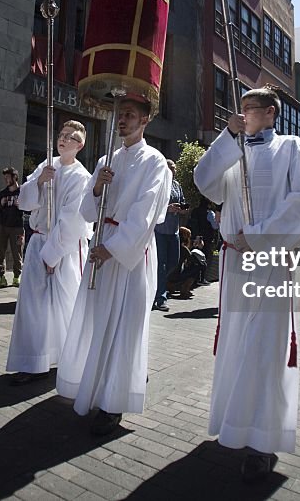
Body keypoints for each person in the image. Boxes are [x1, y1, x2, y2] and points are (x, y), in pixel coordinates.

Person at [194, 86, 300, 483]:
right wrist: (226, 139)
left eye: (249, 109)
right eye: (241, 109)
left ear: (269, 112)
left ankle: (262, 442)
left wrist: (262, 234)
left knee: (266, 348)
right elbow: (204, 182)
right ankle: (234, 424)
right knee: (236, 345)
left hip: (268, 259)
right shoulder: (233, 149)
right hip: (234, 261)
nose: (243, 114)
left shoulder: (290, 147)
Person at [56, 97, 172, 437]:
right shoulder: (107, 158)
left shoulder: (156, 162)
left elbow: (147, 212)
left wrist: (114, 248)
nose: (123, 120)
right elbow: (88, 211)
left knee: (124, 327)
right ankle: (92, 388)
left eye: (130, 115)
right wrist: (97, 187)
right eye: (120, 115)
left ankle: (113, 403)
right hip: (101, 245)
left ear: (146, 119)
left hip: (128, 253)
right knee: (98, 323)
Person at [7, 122, 92, 384]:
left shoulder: (82, 177)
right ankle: (34, 362)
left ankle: (68, 357)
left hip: (64, 249)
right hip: (38, 241)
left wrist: (53, 254)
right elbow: (24, 201)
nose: (63, 139)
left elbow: (74, 220)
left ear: (80, 145)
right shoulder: (47, 164)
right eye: (61, 135)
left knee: (64, 305)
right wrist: (40, 182)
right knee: (34, 306)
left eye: (71, 137)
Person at [153, 159, 186, 312]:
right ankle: (160, 297)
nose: (173, 170)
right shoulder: (158, 184)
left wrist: (182, 209)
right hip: (160, 230)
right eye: (170, 168)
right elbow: (152, 206)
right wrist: (167, 208)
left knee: (174, 262)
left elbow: (183, 201)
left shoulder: (177, 185)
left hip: (174, 230)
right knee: (160, 264)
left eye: (174, 168)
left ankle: (154, 285)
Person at [0, 167, 25, 288]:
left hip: (17, 227)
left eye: (8, 177)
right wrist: (1, 204)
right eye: (5, 177)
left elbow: (30, 209)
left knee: (17, 253)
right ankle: (2, 277)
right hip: (2, 226)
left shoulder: (22, 192)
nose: (6, 180)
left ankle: (16, 277)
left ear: (15, 177)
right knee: (0, 252)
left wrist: (22, 206)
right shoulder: (3, 193)